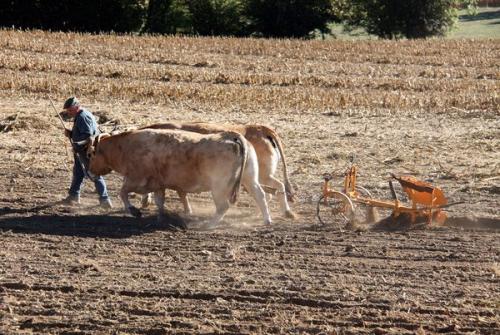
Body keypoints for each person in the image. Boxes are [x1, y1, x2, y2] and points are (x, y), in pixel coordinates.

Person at [60, 97, 113, 209]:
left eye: (70, 110)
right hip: (80, 151)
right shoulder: (79, 116)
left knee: (94, 173)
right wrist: (71, 133)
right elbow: (81, 133)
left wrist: (78, 146)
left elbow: (89, 137)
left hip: (86, 152)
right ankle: (73, 196)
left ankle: (105, 200)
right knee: (78, 172)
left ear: (76, 107)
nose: (69, 112)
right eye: (68, 110)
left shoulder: (83, 117)